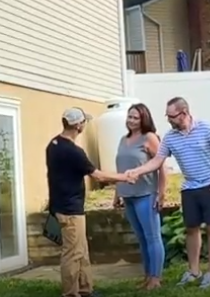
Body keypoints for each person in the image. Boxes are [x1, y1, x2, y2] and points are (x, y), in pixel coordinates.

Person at [125, 97, 210, 289]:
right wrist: (137, 171)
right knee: (191, 229)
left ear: (184, 113)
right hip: (190, 188)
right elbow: (157, 161)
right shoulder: (170, 137)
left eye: (171, 116)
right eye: (167, 116)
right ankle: (193, 271)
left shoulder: (206, 128)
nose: (168, 120)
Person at [47, 107, 136, 297]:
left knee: (81, 250)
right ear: (78, 125)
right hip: (70, 209)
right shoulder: (73, 151)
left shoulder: (53, 145)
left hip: (63, 206)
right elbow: (99, 176)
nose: (85, 125)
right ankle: (71, 293)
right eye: (84, 122)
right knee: (72, 253)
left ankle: (85, 289)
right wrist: (124, 177)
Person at [111, 103, 167, 290]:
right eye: (129, 117)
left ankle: (156, 278)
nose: (131, 121)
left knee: (152, 237)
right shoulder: (122, 139)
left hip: (146, 194)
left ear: (144, 119)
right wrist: (117, 193)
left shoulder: (149, 138)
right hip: (128, 196)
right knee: (141, 238)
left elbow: (161, 166)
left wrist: (161, 192)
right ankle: (147, 276)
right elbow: (121, 169)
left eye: (136, 117)